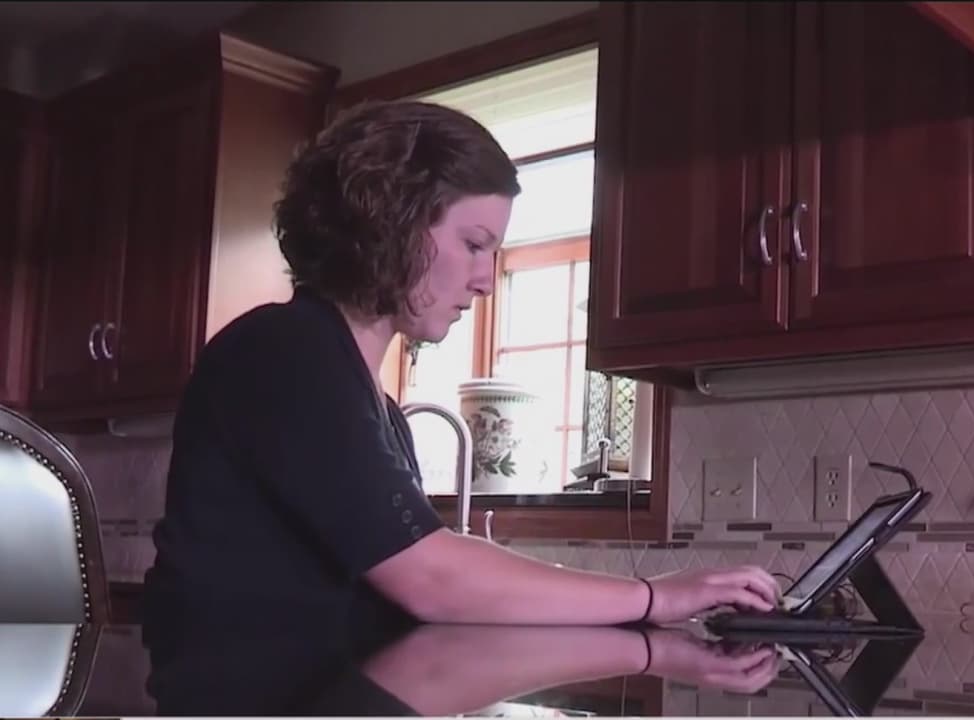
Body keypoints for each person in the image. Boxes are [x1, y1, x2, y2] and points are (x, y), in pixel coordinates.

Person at [142, 101, 779, 634]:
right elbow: (429, 577)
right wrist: (654, 597)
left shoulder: (373, 405)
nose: (486, 280)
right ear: (389, 223)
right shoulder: (286, 352)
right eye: (474, 244)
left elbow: (429, 562)